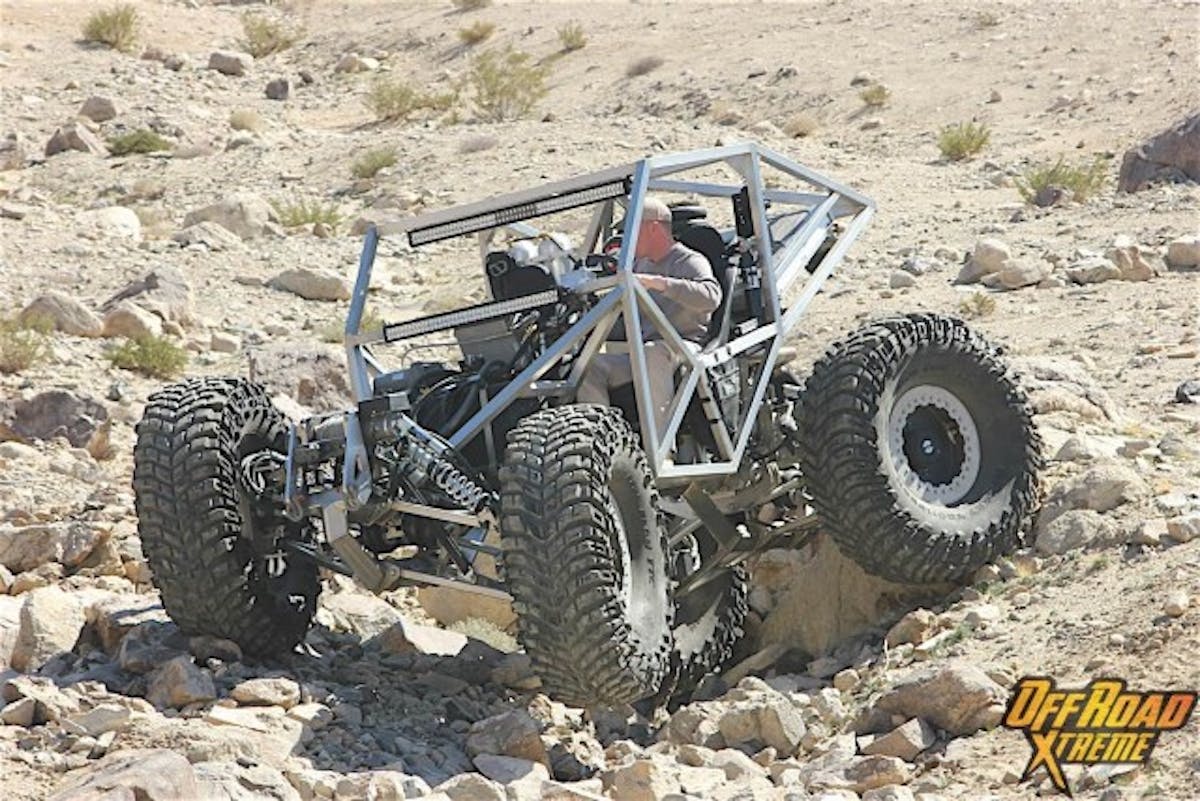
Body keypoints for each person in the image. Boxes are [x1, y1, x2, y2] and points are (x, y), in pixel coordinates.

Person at [577, 196, 722, 436]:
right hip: (645, 350)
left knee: (653, 352)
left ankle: (662, 449)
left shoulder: (688, 260)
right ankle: (603, 445)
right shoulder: (638, 265)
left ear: (653, 228)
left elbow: (711, 297)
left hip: (684, 347)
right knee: (589, 367)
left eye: (631, 231)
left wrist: (660, 284)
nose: (626, 240)